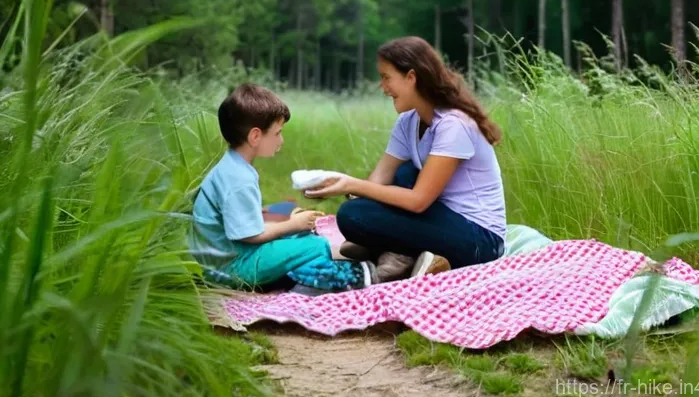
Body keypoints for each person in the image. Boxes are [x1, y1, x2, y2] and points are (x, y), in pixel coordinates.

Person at [305, 36, 506, 282]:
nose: (383, 87)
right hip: (441, 221)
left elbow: (419, 201)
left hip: (479, 240)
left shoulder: (454, 124)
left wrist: (351, 184)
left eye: (387, 77)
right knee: (397, 180)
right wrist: (335, 184)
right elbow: (381, 179)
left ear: (411, 77)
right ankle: (402, 251)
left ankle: (394, 249)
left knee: (354, 214)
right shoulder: (408, 122)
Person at [190, 84, 377, 292]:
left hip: (224, 256)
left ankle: (301, 274)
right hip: (230, 268)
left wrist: (284, 213)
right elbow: (250, 235)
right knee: (316, 245)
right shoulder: (238, 180)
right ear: (255, 136)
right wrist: (293, 224)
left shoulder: (232, 166)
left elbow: (241, 216)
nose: (281, 140)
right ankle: (339, 278)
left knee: (297, 233)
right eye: (277, 133)